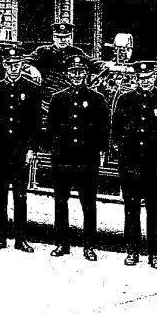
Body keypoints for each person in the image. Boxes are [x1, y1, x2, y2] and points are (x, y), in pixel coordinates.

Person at [111, 61, 157, 269]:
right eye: (141, 79)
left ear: (154, 78)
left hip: (155, 166)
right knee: (131, 210)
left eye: (149, 78)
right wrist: (123, 157)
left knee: (155, 210)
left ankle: (155, 254)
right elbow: (116, 131)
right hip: (131, 165)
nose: (145, 82)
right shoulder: (126, 100)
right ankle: (132, 252)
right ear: (136, 80)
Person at [47, 55, 109, 260]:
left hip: (86, 159)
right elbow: (51, 130)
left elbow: (103, 129)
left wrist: (100, 152)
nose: (77, 76)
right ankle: (62, 244)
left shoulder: (97, 99)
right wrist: (54, 153)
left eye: (81, 72)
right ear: (67, 75)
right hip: (63, 158)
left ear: (86, 75)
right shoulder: (58, 98)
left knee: (88, 204)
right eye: (73, 72)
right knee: (60, 203)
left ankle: (89, 246)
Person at [0, 45, 41, 253]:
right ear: (4, 66)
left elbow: (35, 123)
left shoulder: (32, 90)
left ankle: (21, 239)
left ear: (22, 65)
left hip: (20, 151)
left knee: (20, 195)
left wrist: (31, 149)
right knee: (0, 194)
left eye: (17, 64)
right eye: (9, 65)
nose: (13, 68)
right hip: (0, 150)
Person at [27, 21, 99, 100]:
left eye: (66, 37)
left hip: (71, 96)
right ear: (54, 37)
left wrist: (105, 65)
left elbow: (91, 62)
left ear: (70, 37)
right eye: (59, 37)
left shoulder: (76, 52)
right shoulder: (43, 51)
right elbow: (25, 62)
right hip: (48, 97)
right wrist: (32, 69)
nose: (62, 40)